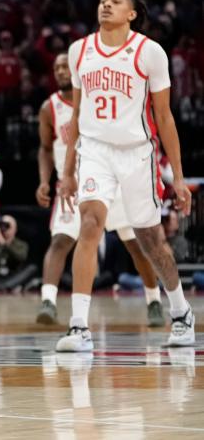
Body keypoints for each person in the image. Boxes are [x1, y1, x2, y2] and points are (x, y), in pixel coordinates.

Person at [56, 0, 195, 351]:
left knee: (150, 240)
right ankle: (78, 327)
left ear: (132, 14)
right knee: (89, 225)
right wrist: (68, 172)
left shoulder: (150, 52)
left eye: (116, 1)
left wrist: (178, 175)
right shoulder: (79, 51)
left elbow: (164, 116)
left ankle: (180, 311)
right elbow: (76, 114)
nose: (106, 4)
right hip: (96, 151)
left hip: (137, 153)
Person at [36, 53, 164, 327]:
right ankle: (48, 301)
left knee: (135, 245)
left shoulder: (99, 101)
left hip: (110, 180)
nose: (60, 71)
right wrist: (45, 181)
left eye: (64, 66)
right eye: (55, 67)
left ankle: (154, 300)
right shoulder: (49, 108)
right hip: (73, 186)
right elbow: (45, 149)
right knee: (60, 241)